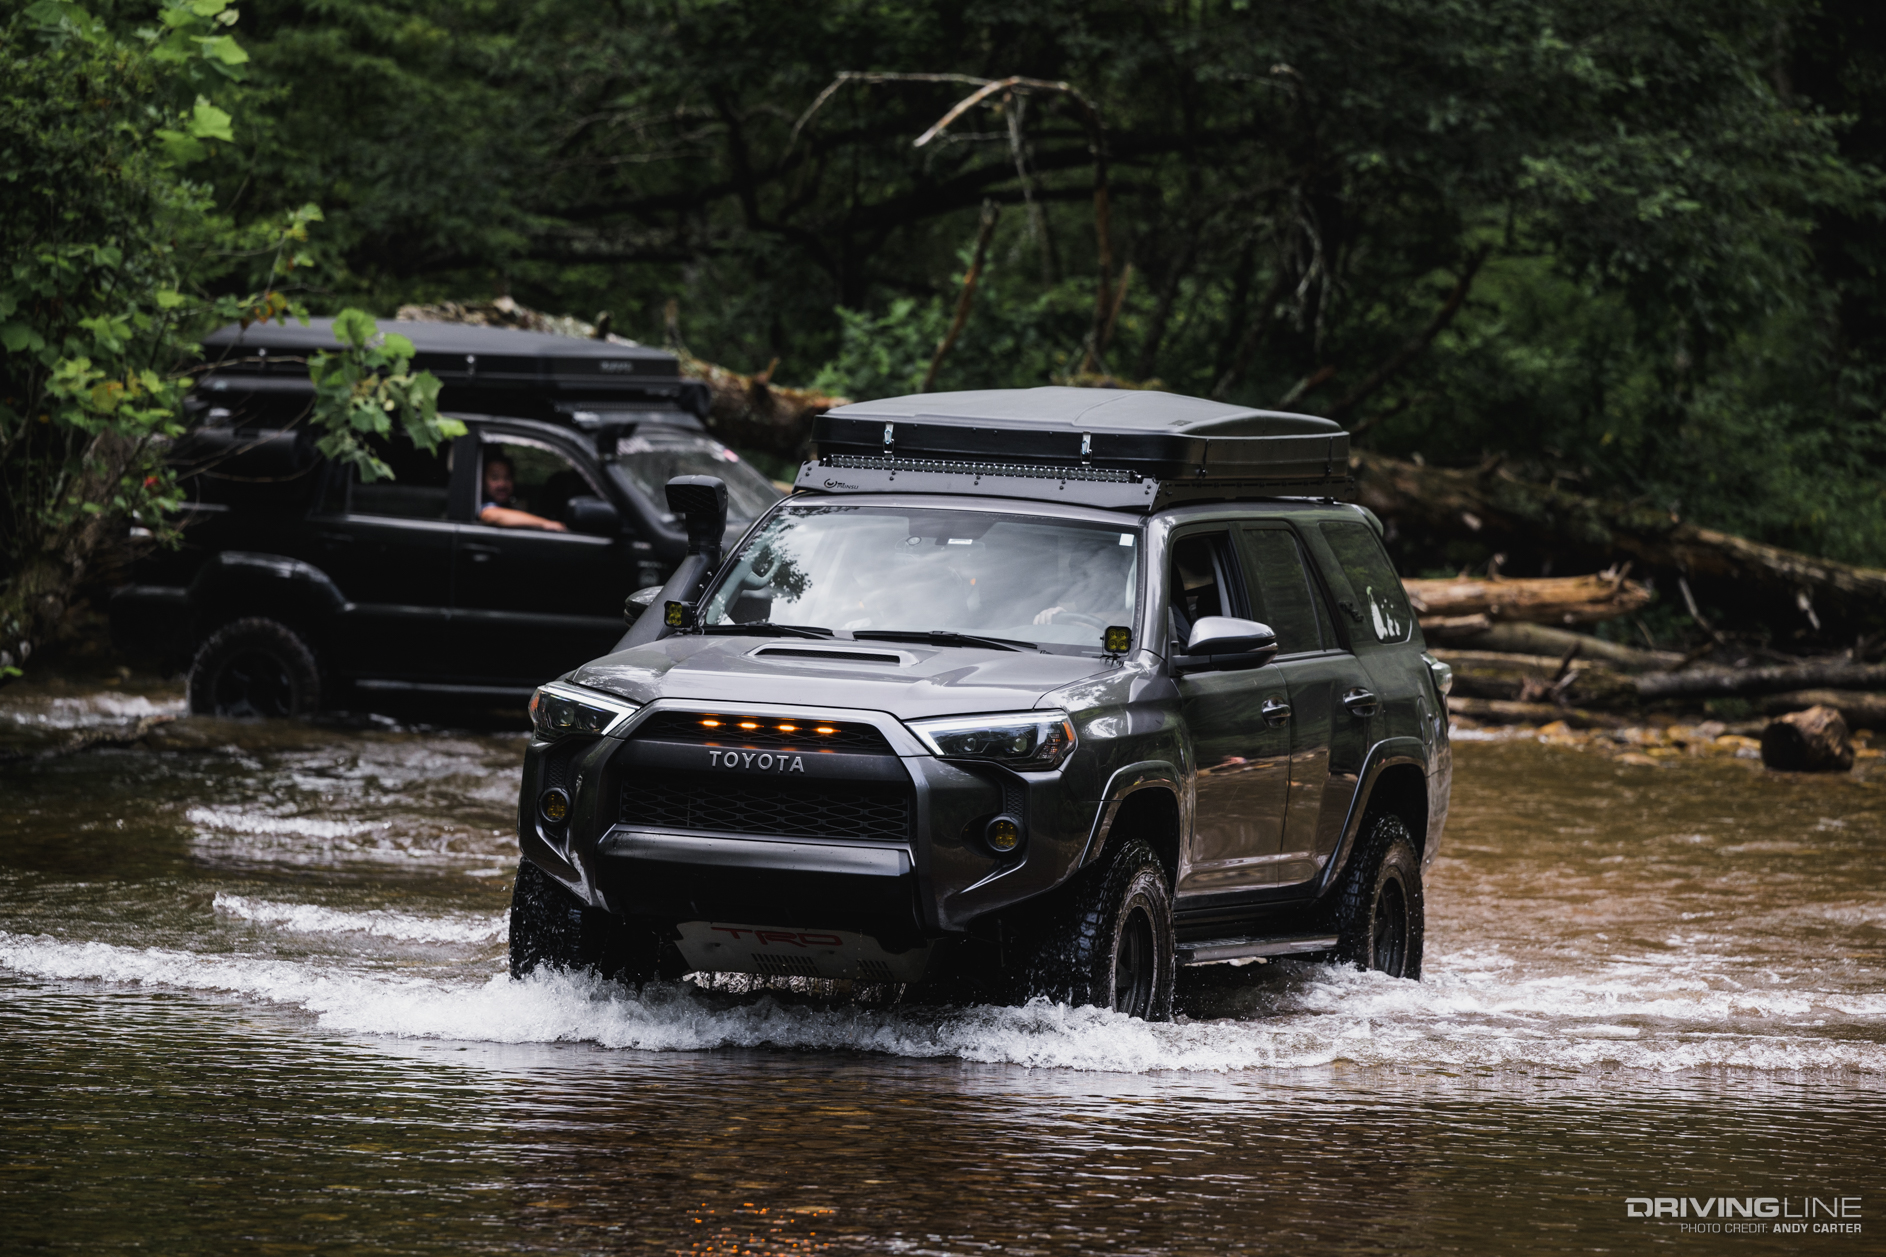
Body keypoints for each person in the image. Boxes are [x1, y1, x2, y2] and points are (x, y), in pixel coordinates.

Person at [479, 452, 567, 532]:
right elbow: (492, 515)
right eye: (495, 478)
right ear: (482, 482)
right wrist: (546, 523)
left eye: (507, 478)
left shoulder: (510, 502)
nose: (502, 484)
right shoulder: (484, 502)